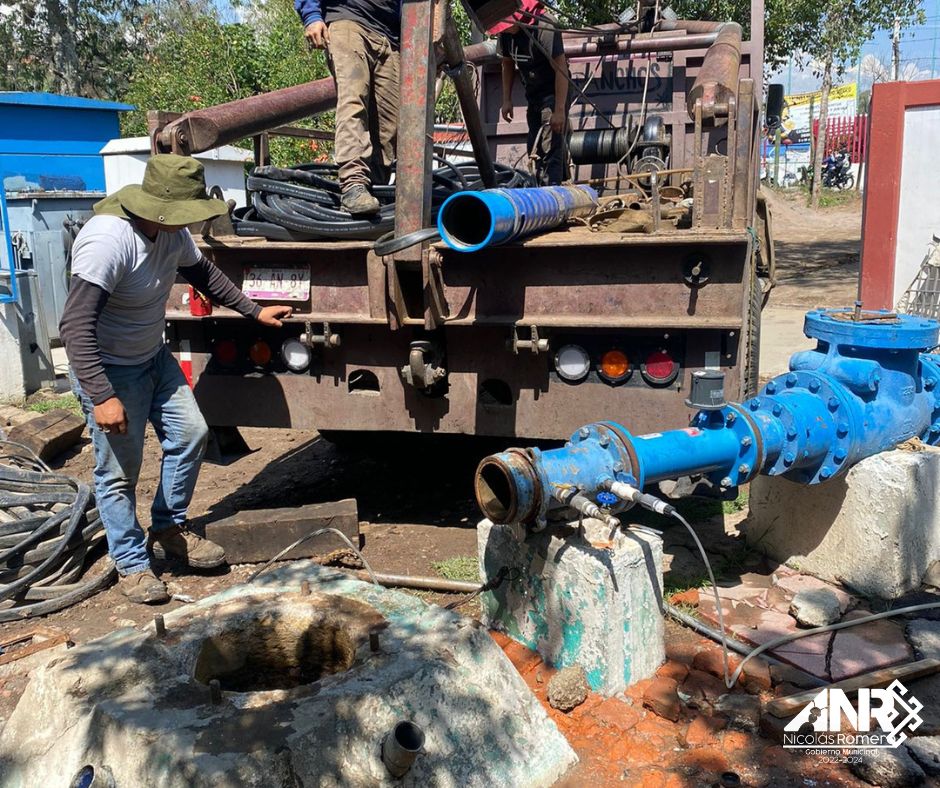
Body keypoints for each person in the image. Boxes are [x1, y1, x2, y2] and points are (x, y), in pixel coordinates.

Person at [60, 154, 293, 604]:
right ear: (156, 206)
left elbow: (203, 273)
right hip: (108, 369)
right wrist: (103, 395)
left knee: (191, 434)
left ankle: (169, 527)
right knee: (118, 473)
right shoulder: (107, 241)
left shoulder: (170, 232)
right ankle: (131, 564)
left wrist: (254, 309)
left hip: (152, 357)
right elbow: (74, 327)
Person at [295, 0, 401, 215]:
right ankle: (353, 185)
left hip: (391, 37)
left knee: (391, 120)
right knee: (354, 102)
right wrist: (312, 17)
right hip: (348, 20)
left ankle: (376, 188)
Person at [491, 0, 571, 185]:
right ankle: (553, 185)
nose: (502, 30)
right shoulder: (505, 36)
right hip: (534, 95)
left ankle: (552, 194)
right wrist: (506, 100)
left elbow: (561, 70)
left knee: (550, 146)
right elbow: (507, 64)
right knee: (534, 148)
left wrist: (559, 110)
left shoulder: (545, 27)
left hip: (554, 92)